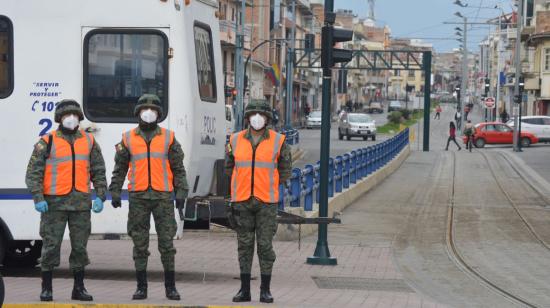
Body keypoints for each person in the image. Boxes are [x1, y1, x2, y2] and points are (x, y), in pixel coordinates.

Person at [25, 99, 107, 302]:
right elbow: (33, 172)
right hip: (54, 204)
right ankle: (46, 288)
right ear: (59, 119)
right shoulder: (47, 141)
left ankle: (78, 288)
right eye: (66, 115)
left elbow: (98, 170)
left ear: (79, 118)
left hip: (80, 204)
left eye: (75, 115)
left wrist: (100, 195)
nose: (71, 119)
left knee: (80, 247)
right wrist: (38, 197)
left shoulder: (89, 141)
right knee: (51, 246)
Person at [109, 94, 189, 301]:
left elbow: (179, 169)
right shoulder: (127, 138)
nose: (149, 113)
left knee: (167, 244)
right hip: (139, 197)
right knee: (140, 243)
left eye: (153, 110)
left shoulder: (169, 138)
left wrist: (181, 193)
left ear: (159, 114)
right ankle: (141, 287)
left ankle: (170, 287)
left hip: (163, 196)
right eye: (145, 109)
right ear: (138, 113)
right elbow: (120, 169)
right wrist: (115, 191)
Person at [225, 99, 292, 304]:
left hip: (266, 202)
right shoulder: (235, 139)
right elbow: (229, 168)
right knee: (244, 247)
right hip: (242, 200)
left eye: (261, 115)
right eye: (253, 114)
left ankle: (265, 290)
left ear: (267, 119)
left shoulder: (278, 140)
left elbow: (285, 170)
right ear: (247, 118)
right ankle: (244, 290)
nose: (257, 118)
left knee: (265, 247)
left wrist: (268, 185)